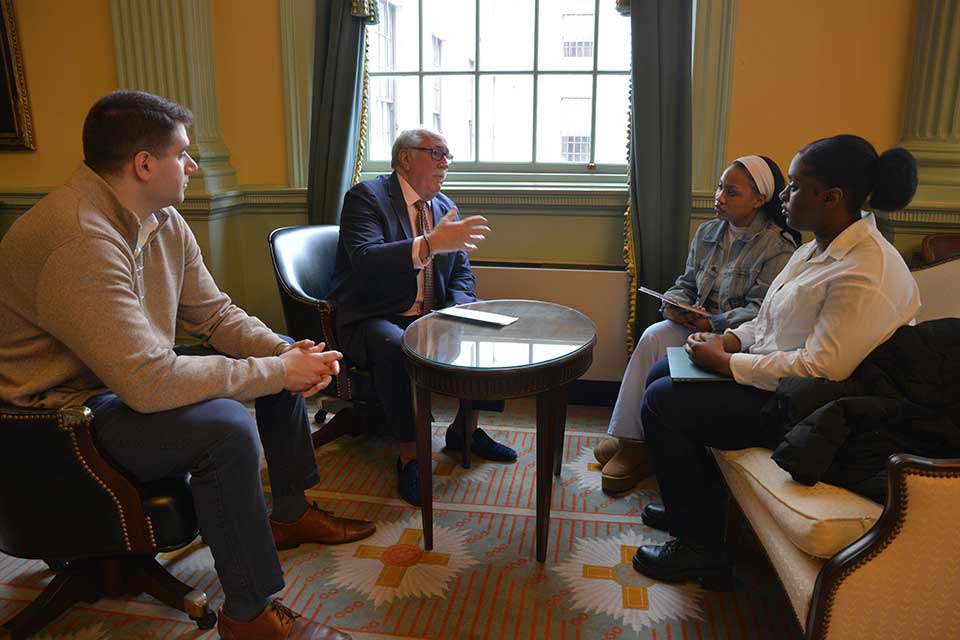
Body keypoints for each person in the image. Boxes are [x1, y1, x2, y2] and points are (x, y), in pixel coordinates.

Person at [0, 90, 374, 640]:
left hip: (116, 381)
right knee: (225, 427)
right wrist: (276, 371)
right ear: (143, 164)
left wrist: (283, 353)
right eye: (183, 153)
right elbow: (148, 384)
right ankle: (250, 615)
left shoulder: (163, 220)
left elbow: (216, 316)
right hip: (51, 421)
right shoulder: (77, 237)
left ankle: (290, 513)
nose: (193, 165)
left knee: (270, 364)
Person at [630, 134, 920, 590]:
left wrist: (728, 366)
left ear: (831, 197)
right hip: (783, 381)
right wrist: (728, 338)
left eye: (795, 186)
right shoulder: (816, 247)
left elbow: (821, 371)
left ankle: (700, 548)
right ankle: (697, 507)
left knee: (664, 402)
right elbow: (769, 323)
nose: (784, 196)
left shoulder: (865, 271)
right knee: (663, 370)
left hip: (816, 408)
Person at [329, 128, 517, 507]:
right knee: (397, 347)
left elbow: (461, 270)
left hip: (430, 313)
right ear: (405, 158)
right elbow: (366, 260)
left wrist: (463, 307)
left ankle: (464, 431)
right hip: (375, 314)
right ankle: (410, 455)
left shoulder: (444, 206)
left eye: (448, 155)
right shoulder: (367, 197)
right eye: (436, 153)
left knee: (486, 332)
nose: (446, 162)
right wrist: (430, 244)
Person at [596, 155, 799, 493]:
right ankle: (631, 442)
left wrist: (715, 321)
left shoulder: (778, 247)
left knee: (663, 347)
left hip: (734, 338)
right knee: (652, 337)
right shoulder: (708, 232)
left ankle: (636, 449)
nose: (719, 197)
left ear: (759, 199)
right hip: (696, 324)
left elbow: (763, 312)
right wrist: (675, 304)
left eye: (732, 192)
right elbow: (687, 282)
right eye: (720, 187)